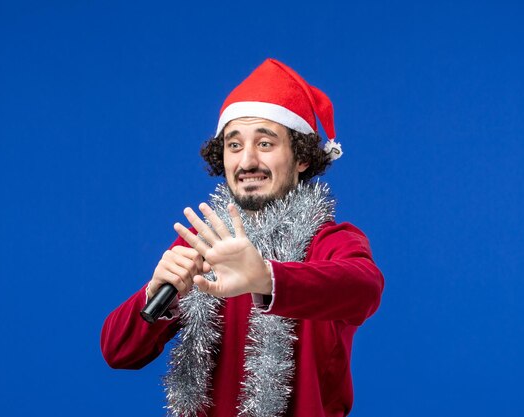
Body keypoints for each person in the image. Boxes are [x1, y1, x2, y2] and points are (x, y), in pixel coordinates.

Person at [101, 58, 384, 417]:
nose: (247, 161)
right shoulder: (203, 244)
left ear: (301, 158)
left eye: (265, 143)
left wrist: (266, 278)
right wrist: (157, 292)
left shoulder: (329, 240)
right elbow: (117, 351)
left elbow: (364, 288)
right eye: (234, 146)